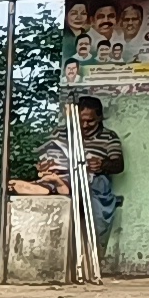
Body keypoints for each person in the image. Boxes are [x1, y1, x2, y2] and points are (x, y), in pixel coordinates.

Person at [33, 95, 125, 242]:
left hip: (94, 179)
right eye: (81, 121)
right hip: (63, 172)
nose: (85, 125)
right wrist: (46, 164)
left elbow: (119, 165)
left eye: (90, 121)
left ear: (100, 117)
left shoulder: (109, 137)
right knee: (53, 176)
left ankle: (56, 186)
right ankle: (55, 184)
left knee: (92, 184)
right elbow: (46, 156)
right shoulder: (60, 133)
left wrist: (102, 165)